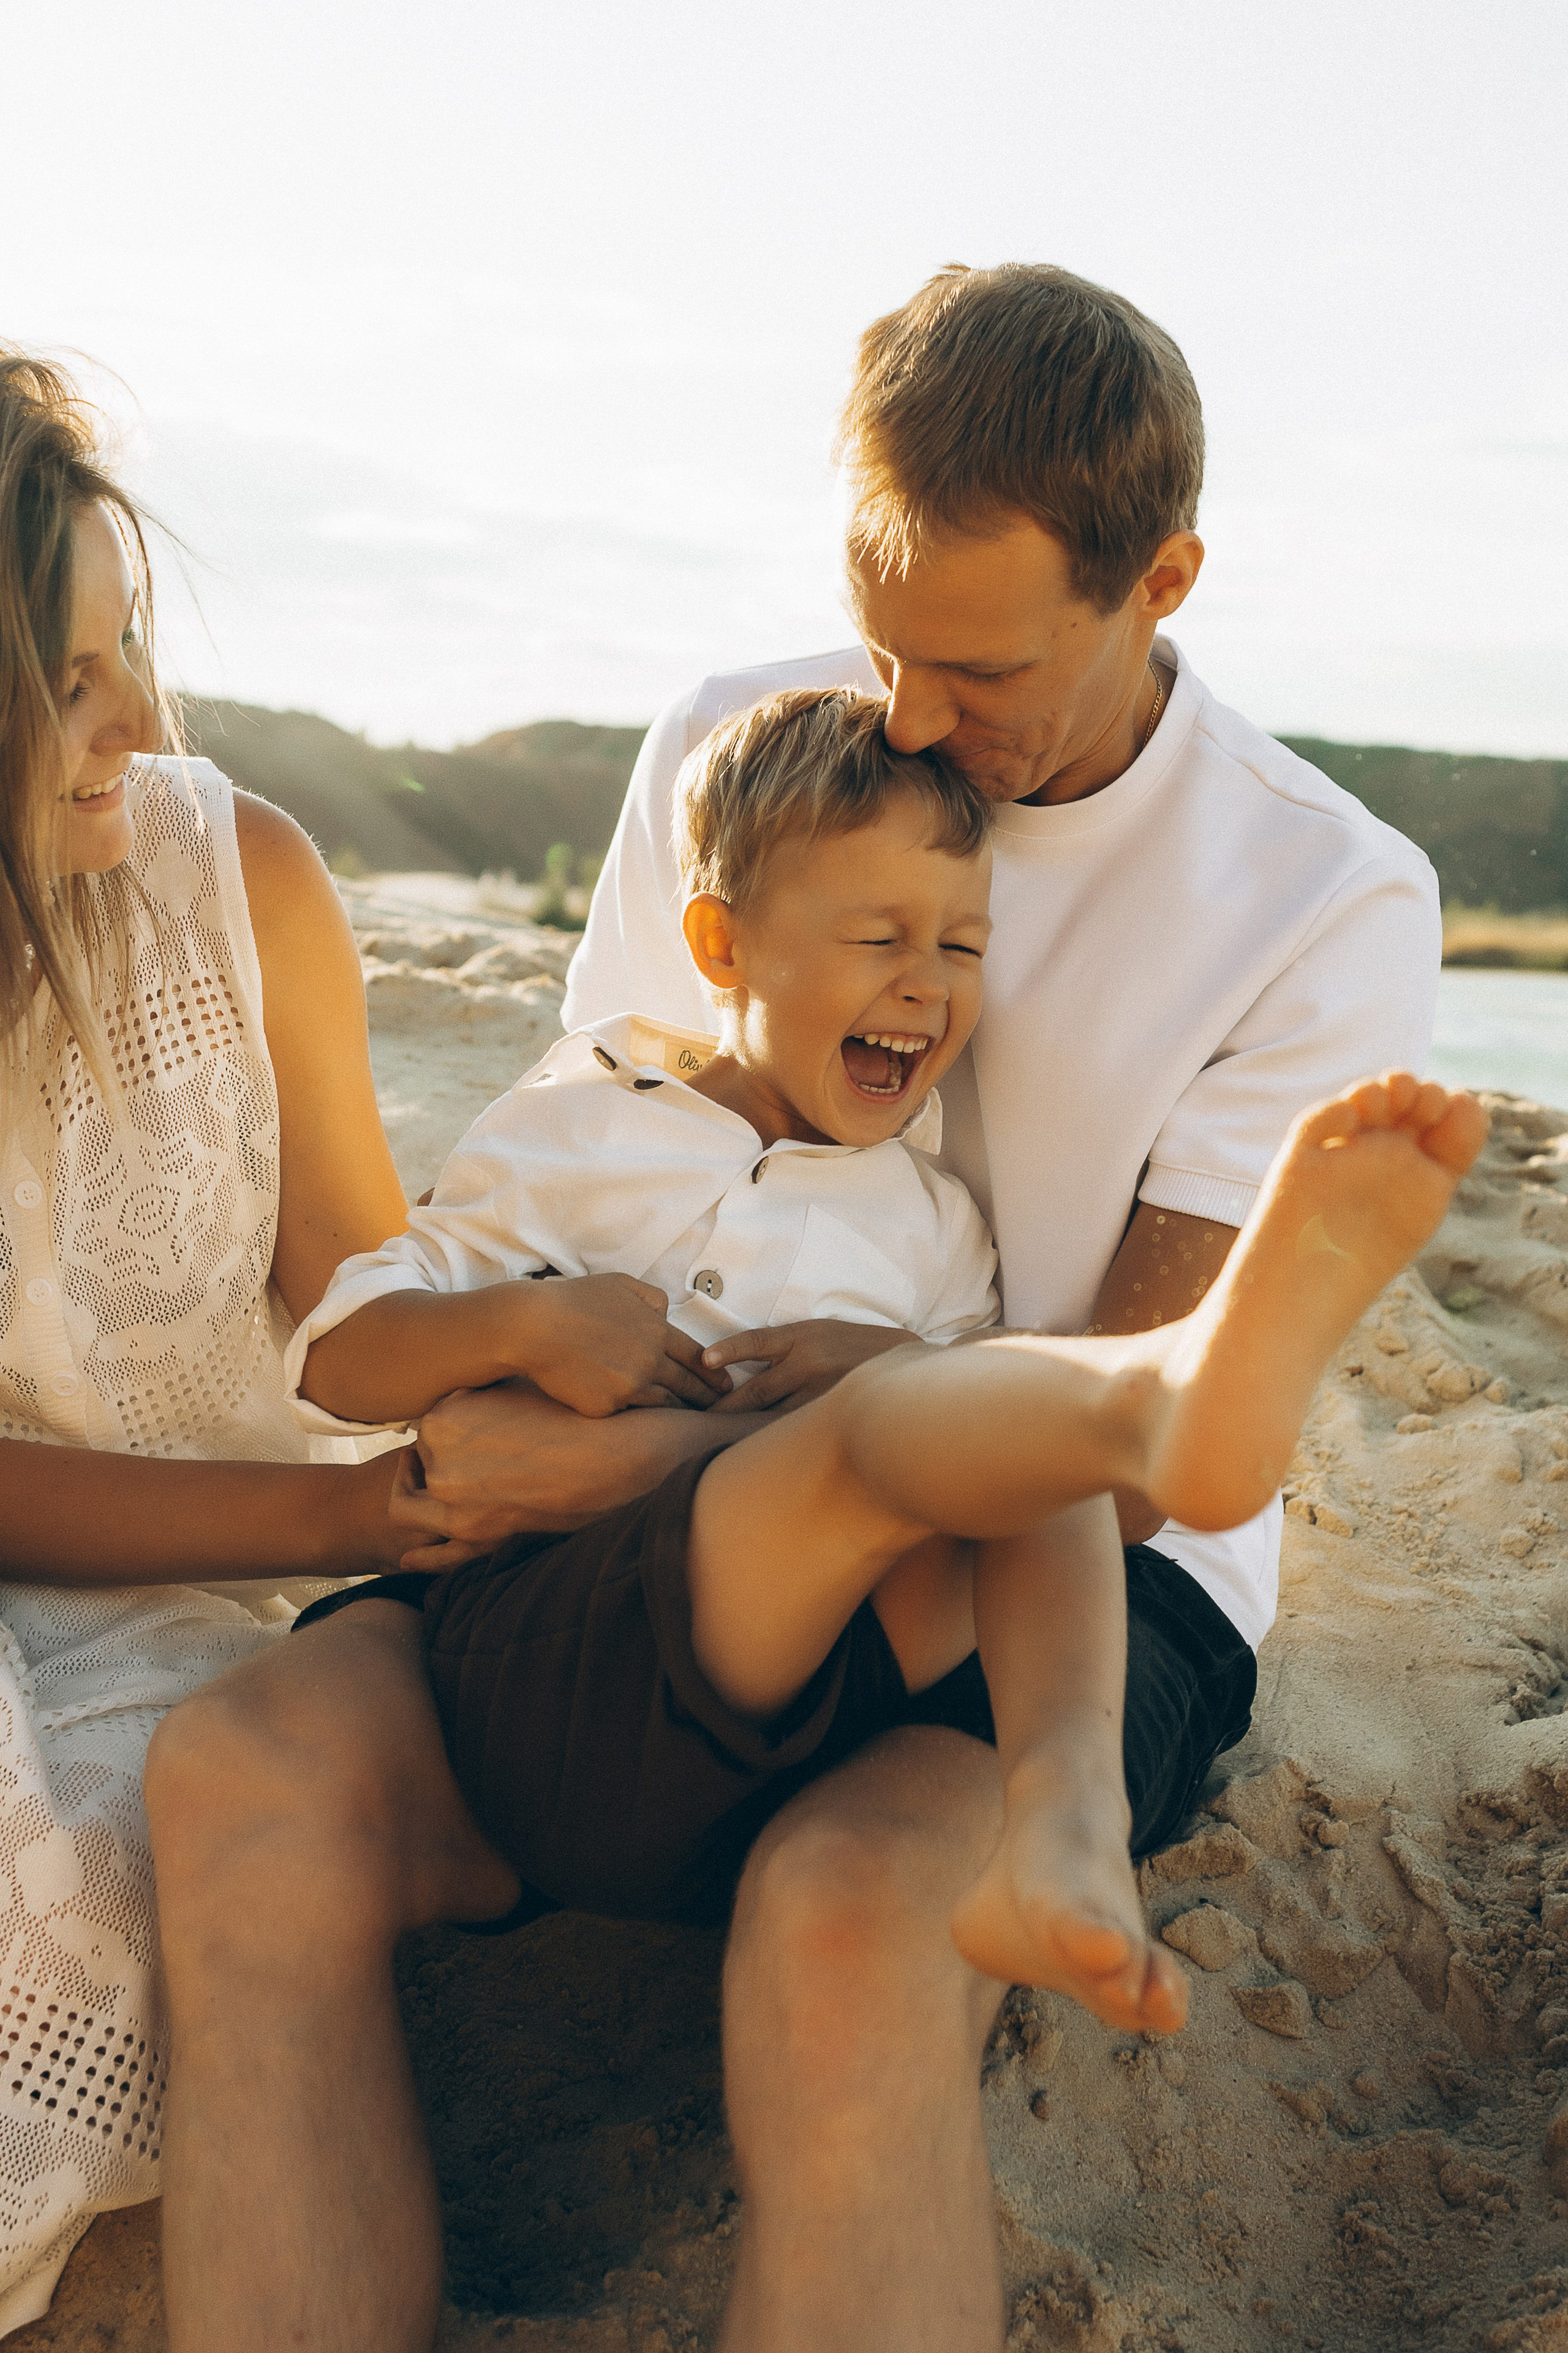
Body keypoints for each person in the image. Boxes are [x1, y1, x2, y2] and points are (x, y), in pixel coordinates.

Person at [145, 263, 1443, 2353]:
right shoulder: (741, 748)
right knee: (250, 1779)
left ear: (1165, 580)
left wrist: (639, 1450)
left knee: (841, 1922)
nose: (914, 716)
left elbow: (1093, 1474)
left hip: (1045, 1563)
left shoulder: (1321, 895)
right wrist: (531, 1403)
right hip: (656, 1543)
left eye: (983, 666)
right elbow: (629, 1167)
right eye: (884, 636)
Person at [281, 687, 1480, 2031]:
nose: (927, 982)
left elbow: (1006, 1530)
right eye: (878, 937)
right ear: (719, 945)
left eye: (963, 947)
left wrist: (904, 1364)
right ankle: (1152, 1403)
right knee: (976, 1416)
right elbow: (343, 1356)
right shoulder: (584, 1119)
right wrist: (520, 1323)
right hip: (553, 1656)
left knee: (1016, 1446)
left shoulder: (927, 1222)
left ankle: (1067, 1812)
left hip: (810, 1698)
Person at [0, 352, 418, 2332]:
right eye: (73, 678)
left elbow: (362, 1294)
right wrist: (380, 1527)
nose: (141, 720)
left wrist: (498, 1414)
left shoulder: (234, 877)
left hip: (240, 1578)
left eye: (132, 648)